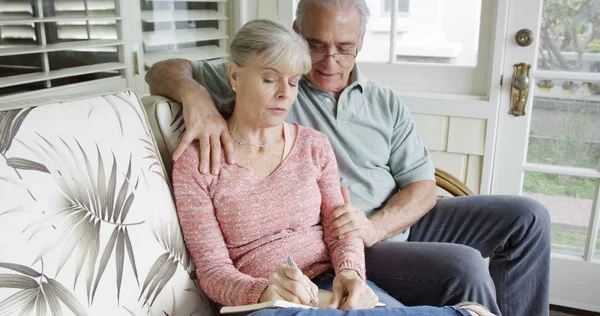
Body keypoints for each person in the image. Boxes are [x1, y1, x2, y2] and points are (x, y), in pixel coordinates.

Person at [150, 1, 551, 315]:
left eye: (343, 48)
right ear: (297, 36)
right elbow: (163, 70)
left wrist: (373, 228)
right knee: (464, 267)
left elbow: (423, 185)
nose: (329, 61)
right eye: (316, 46)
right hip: (335, 243)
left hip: (382, 224)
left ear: (360, 44)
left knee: (528, 217)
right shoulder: (273, 71)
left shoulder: (381, 102)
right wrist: (194, 95)